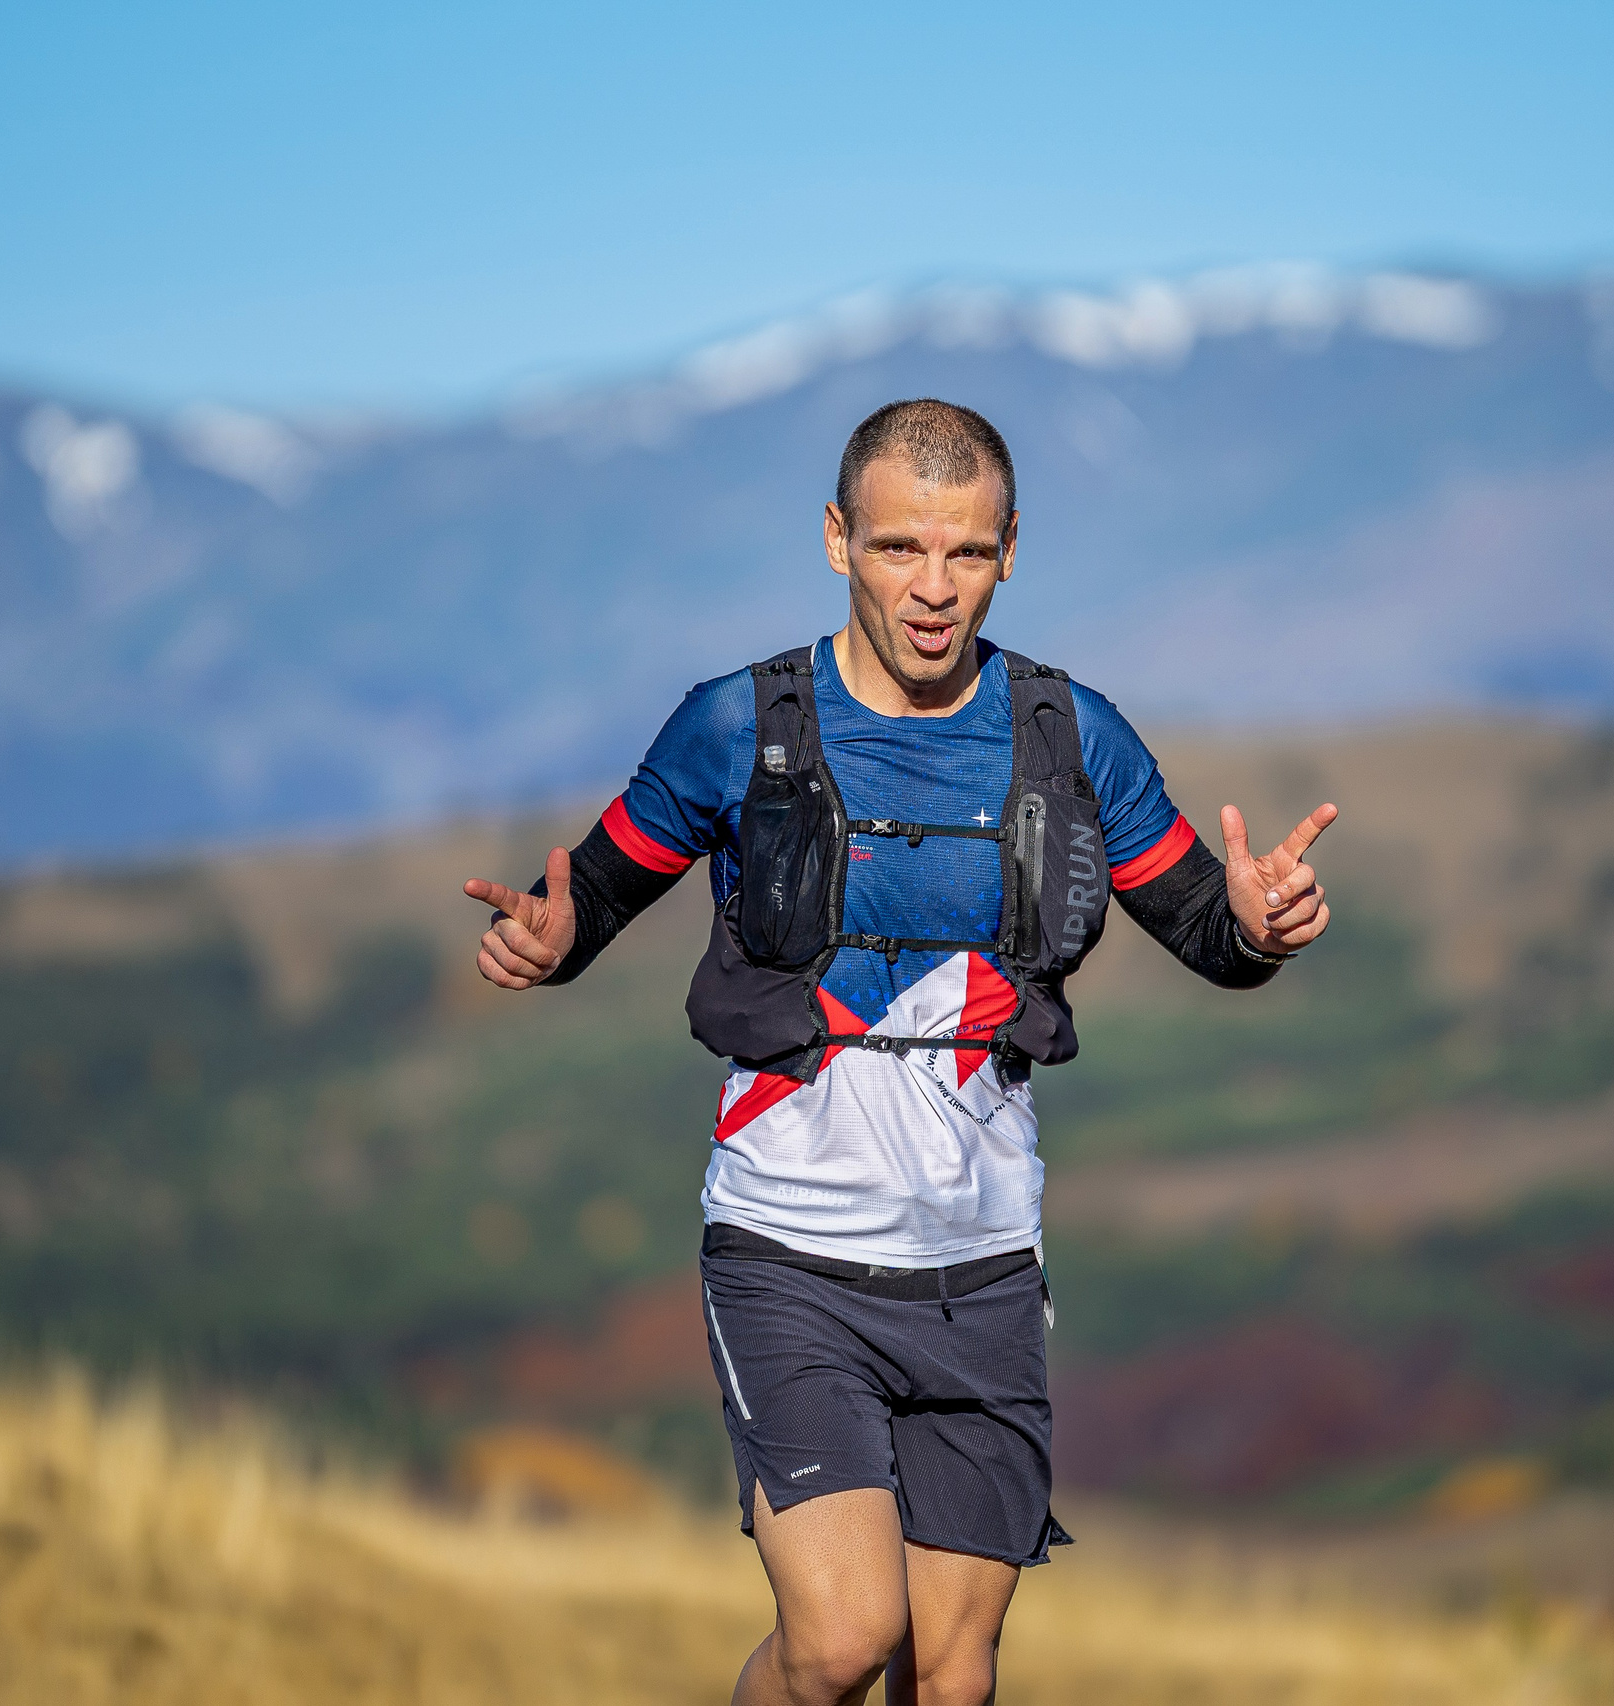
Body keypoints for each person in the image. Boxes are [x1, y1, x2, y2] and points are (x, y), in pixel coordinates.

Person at [462, 399, 1334, 1706]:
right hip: (786, 1250)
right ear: (836, 540)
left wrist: (1260, 926)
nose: (934, 589)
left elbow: (1208, 930)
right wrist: (548, 934)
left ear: (1010, 551)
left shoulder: (1069, 734)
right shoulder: (738, 723)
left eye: (967, 554)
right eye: (899, 549)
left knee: (954, 1671)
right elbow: (590, 890)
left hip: (980, 1268)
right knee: (840, 1640)